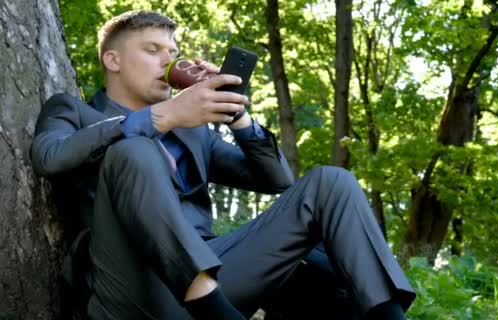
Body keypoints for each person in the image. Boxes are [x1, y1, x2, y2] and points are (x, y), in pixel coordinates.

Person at [31, 10, 416, 320]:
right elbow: (49, 157)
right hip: (132, 290)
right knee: (135, 149)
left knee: (331, 183)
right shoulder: (75, 111)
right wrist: (158, 118)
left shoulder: (194, 133)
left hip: (216, 279)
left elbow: (278, 179)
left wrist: (237, 114)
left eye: (172, 50)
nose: (169, 60)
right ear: (112, 59)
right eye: (153, 50)